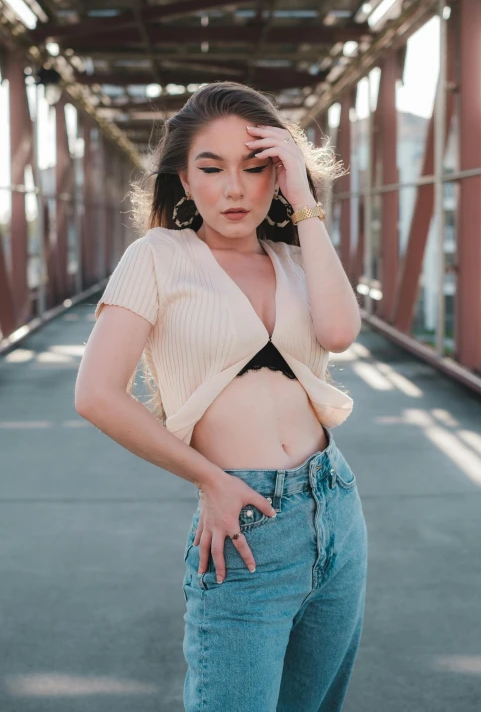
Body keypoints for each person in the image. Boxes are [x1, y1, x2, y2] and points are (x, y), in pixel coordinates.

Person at [75, 80, 368, 712]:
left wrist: (304, 201)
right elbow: (97, 394)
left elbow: (340, 331)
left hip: (335, 505)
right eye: (211, 168)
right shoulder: (157, 256)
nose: (234, 188)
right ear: (184, 180)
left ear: (278, 177)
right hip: (246, 523)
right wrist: (210, 479)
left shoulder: (294, 258)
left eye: (256, 167)